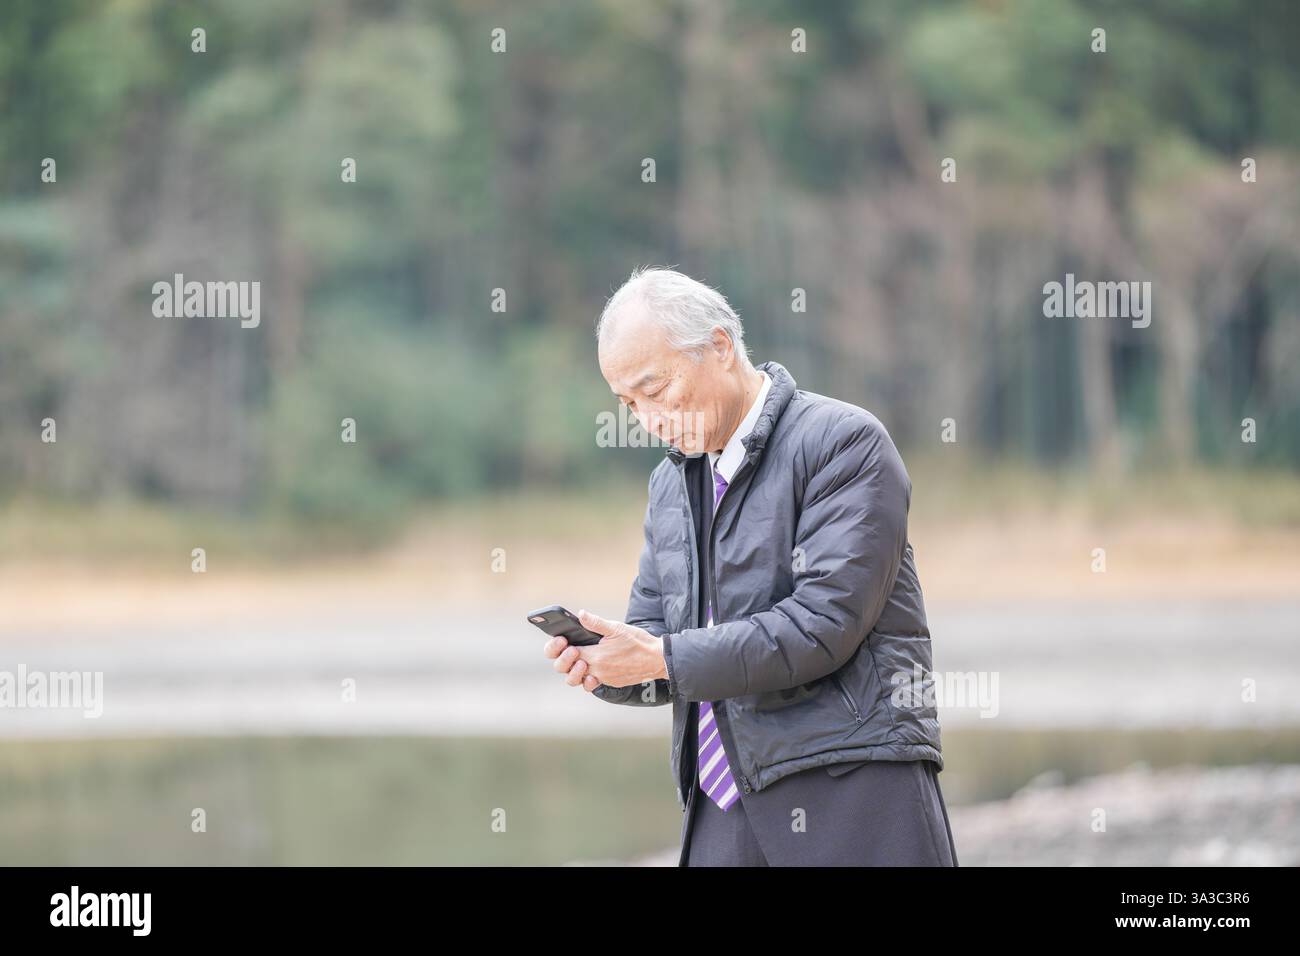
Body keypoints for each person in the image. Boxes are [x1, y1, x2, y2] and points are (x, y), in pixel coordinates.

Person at [543, 266, 958, 866]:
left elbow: (820, 626)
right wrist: (609, 664)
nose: (646, 420)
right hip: (720, 804)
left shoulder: (843, 443)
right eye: (628, 402)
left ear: (719, 346)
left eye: (654, 390)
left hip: (852, 788)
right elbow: (661, 641)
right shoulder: (671, 483)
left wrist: (661, 656)